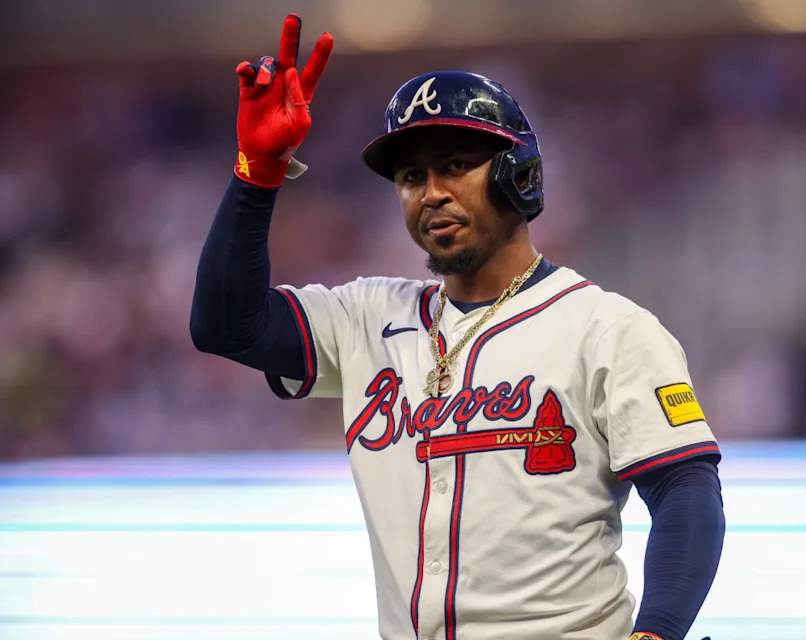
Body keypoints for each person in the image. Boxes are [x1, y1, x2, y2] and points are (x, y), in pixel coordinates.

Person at [190, 14, 725, 640]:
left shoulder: (606, 328)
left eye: (455, 166)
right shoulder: (368, 316)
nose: (431, 193)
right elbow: (225, 324)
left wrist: (656, 633)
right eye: (412, 177)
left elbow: (686, 490)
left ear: (517, 175)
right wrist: (257, 170)